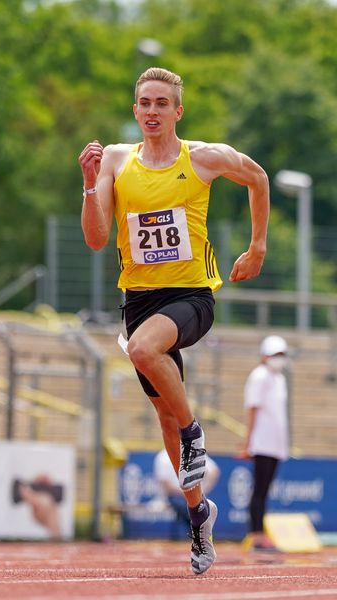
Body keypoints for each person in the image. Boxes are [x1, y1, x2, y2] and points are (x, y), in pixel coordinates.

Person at [79, 67, 269, 574]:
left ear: (177, 111)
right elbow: (97, 238)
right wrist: (86, 185)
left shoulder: (203, 158)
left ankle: (193, 435)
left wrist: (257, 246)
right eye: (145, 103)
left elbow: (258, 178)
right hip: (138, 300)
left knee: (142, 350)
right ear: (135, 109)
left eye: (163, 103)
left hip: (190, 297)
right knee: (161, 414)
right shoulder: (115, 161)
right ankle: (199, 514)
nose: (153, 111)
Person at [238, 335, 289, 551]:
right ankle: (256, 533)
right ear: (265, 355)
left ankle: (260, 531)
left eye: (282, 355)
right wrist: (247, 442)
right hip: (261, 441)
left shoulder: (280, 379)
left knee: (265, 489)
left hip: (276, 443)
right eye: (276, 354)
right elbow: (252, 409)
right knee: (259, 490)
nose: (279, 359)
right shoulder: (259, 376)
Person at [154, 448, 220, 535]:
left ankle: (204, 535)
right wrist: (186, 493)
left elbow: (214, 471)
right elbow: (165, 484)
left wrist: (203, 490)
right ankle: (198, 534)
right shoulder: (163, 457)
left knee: (204, 506)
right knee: (186, 507)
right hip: (175, 495)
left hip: (196, 493)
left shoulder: (194, 450)